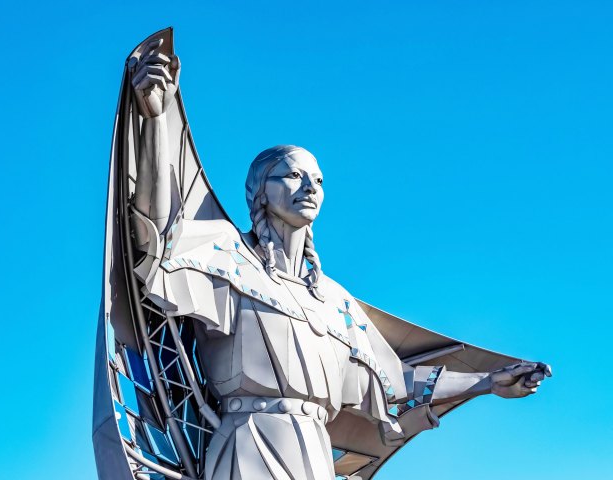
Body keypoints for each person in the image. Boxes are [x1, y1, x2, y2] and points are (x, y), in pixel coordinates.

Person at [129, 39, 550, 480]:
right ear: (260, 191)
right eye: (293, 174)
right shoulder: (228, 260)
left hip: (313, 450)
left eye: (318, 180)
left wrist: (486, 382)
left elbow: (396, 382)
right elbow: (163, 233)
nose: (309, 187)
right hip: (249, 441)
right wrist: (156, 122)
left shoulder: (335, 303)